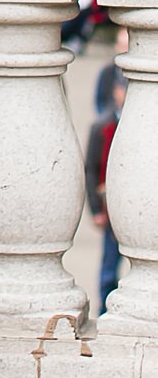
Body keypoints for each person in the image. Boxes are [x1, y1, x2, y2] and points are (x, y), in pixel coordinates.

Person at [85, 76, 127, 314]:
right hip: (109, 207)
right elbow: (90, 169)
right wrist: (96, 209)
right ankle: (104, 314)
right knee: (108, 269)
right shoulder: (101, 126)